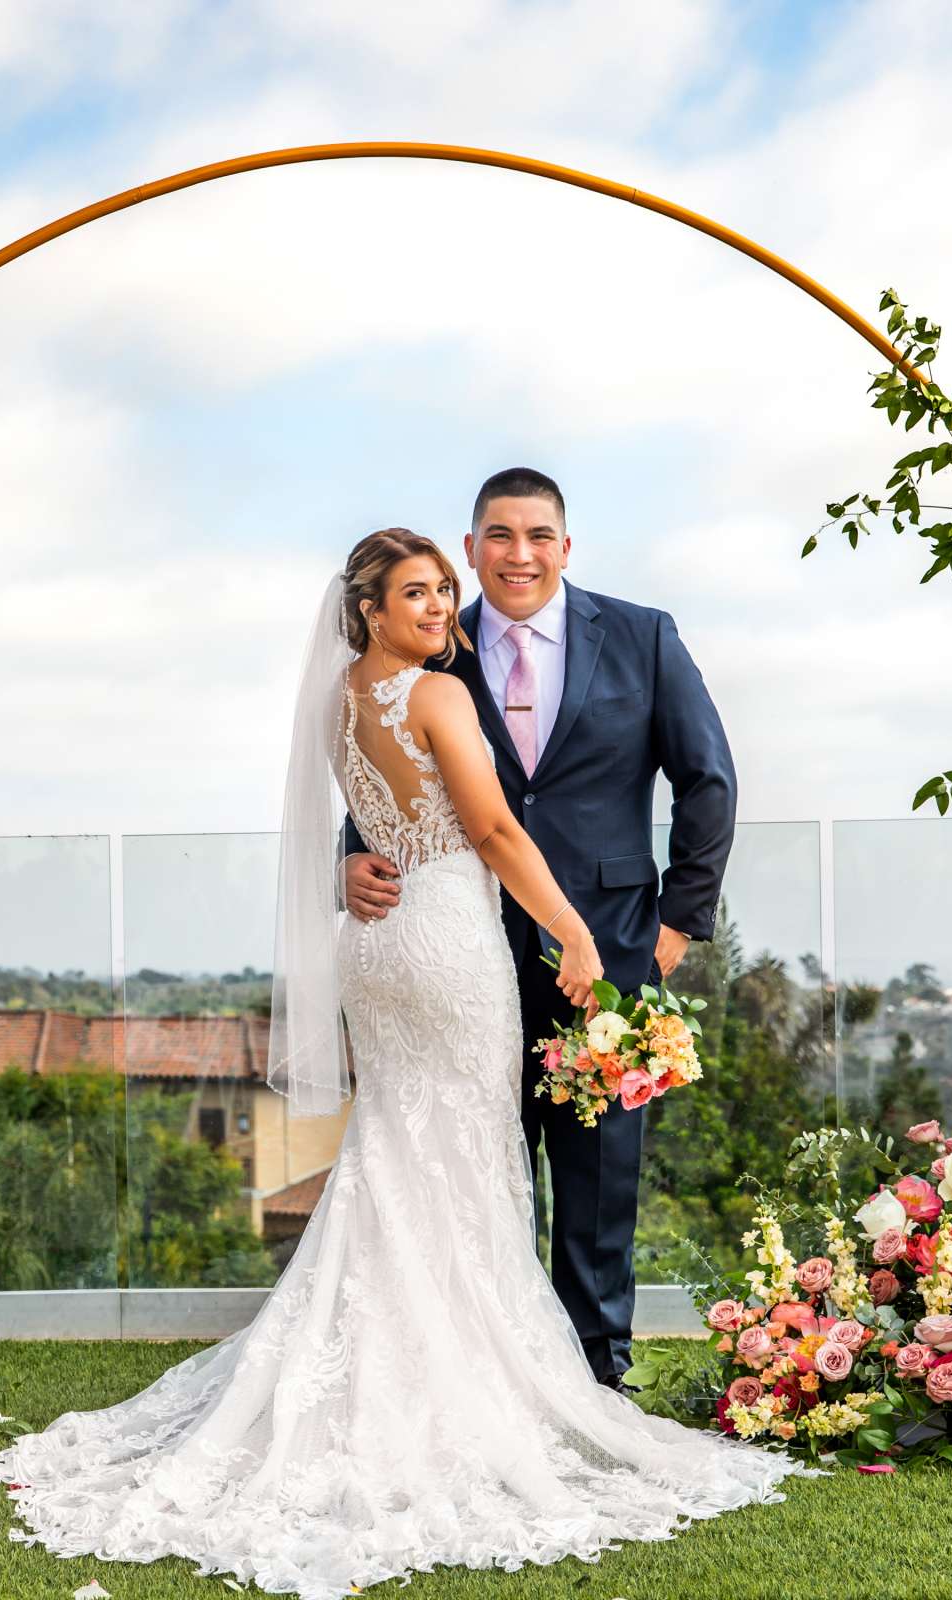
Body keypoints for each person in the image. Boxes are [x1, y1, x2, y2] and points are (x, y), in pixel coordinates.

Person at [0, 527, 802, 1600]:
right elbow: (498, 832)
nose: (439, 609)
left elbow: (379, 816)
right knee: (458, 1152)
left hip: (380, 946)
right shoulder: (437, 694)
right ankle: (467, 1382)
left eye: (443, 593)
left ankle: (404, 1357)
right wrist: (573, 934)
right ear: (368, 606)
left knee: (401, 1149)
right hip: (449, 943)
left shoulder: (340, 700)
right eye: (418, 593)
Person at [343, 467, 736, 1387]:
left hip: (608, 941)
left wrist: (680, 916)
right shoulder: (432, 643)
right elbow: (388, 766)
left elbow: (707, 778)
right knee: (479, 1157)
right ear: (472, 546)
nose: (519, 554)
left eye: (538, 535)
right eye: (498, 535)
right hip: (463, 947)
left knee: (601, 1168)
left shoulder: (642, 637)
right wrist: (348, 858)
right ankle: (492, 1371)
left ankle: (598, 1373)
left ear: (566, 545)